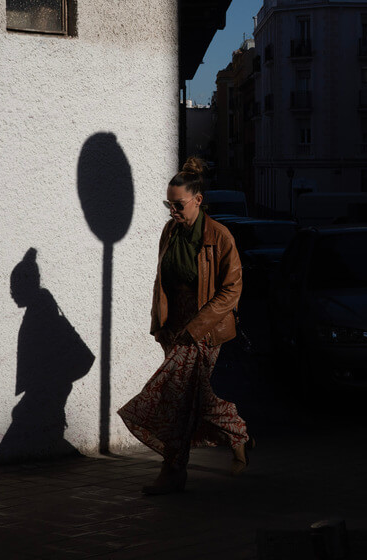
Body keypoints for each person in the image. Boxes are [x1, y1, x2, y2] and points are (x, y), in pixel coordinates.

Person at [118, 157, 253, 494]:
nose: (172, 212)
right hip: (175, 324)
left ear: (198, 200)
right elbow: (161, 281)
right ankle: (235, 430)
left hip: (204, 327)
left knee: (172, 396)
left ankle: (172, 471)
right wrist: (160, 324)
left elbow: (232, 289)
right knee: (194, 397)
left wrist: (196, 327)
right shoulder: (170, 231)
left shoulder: (220, 237)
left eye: (178, 205)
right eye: (169, 205)